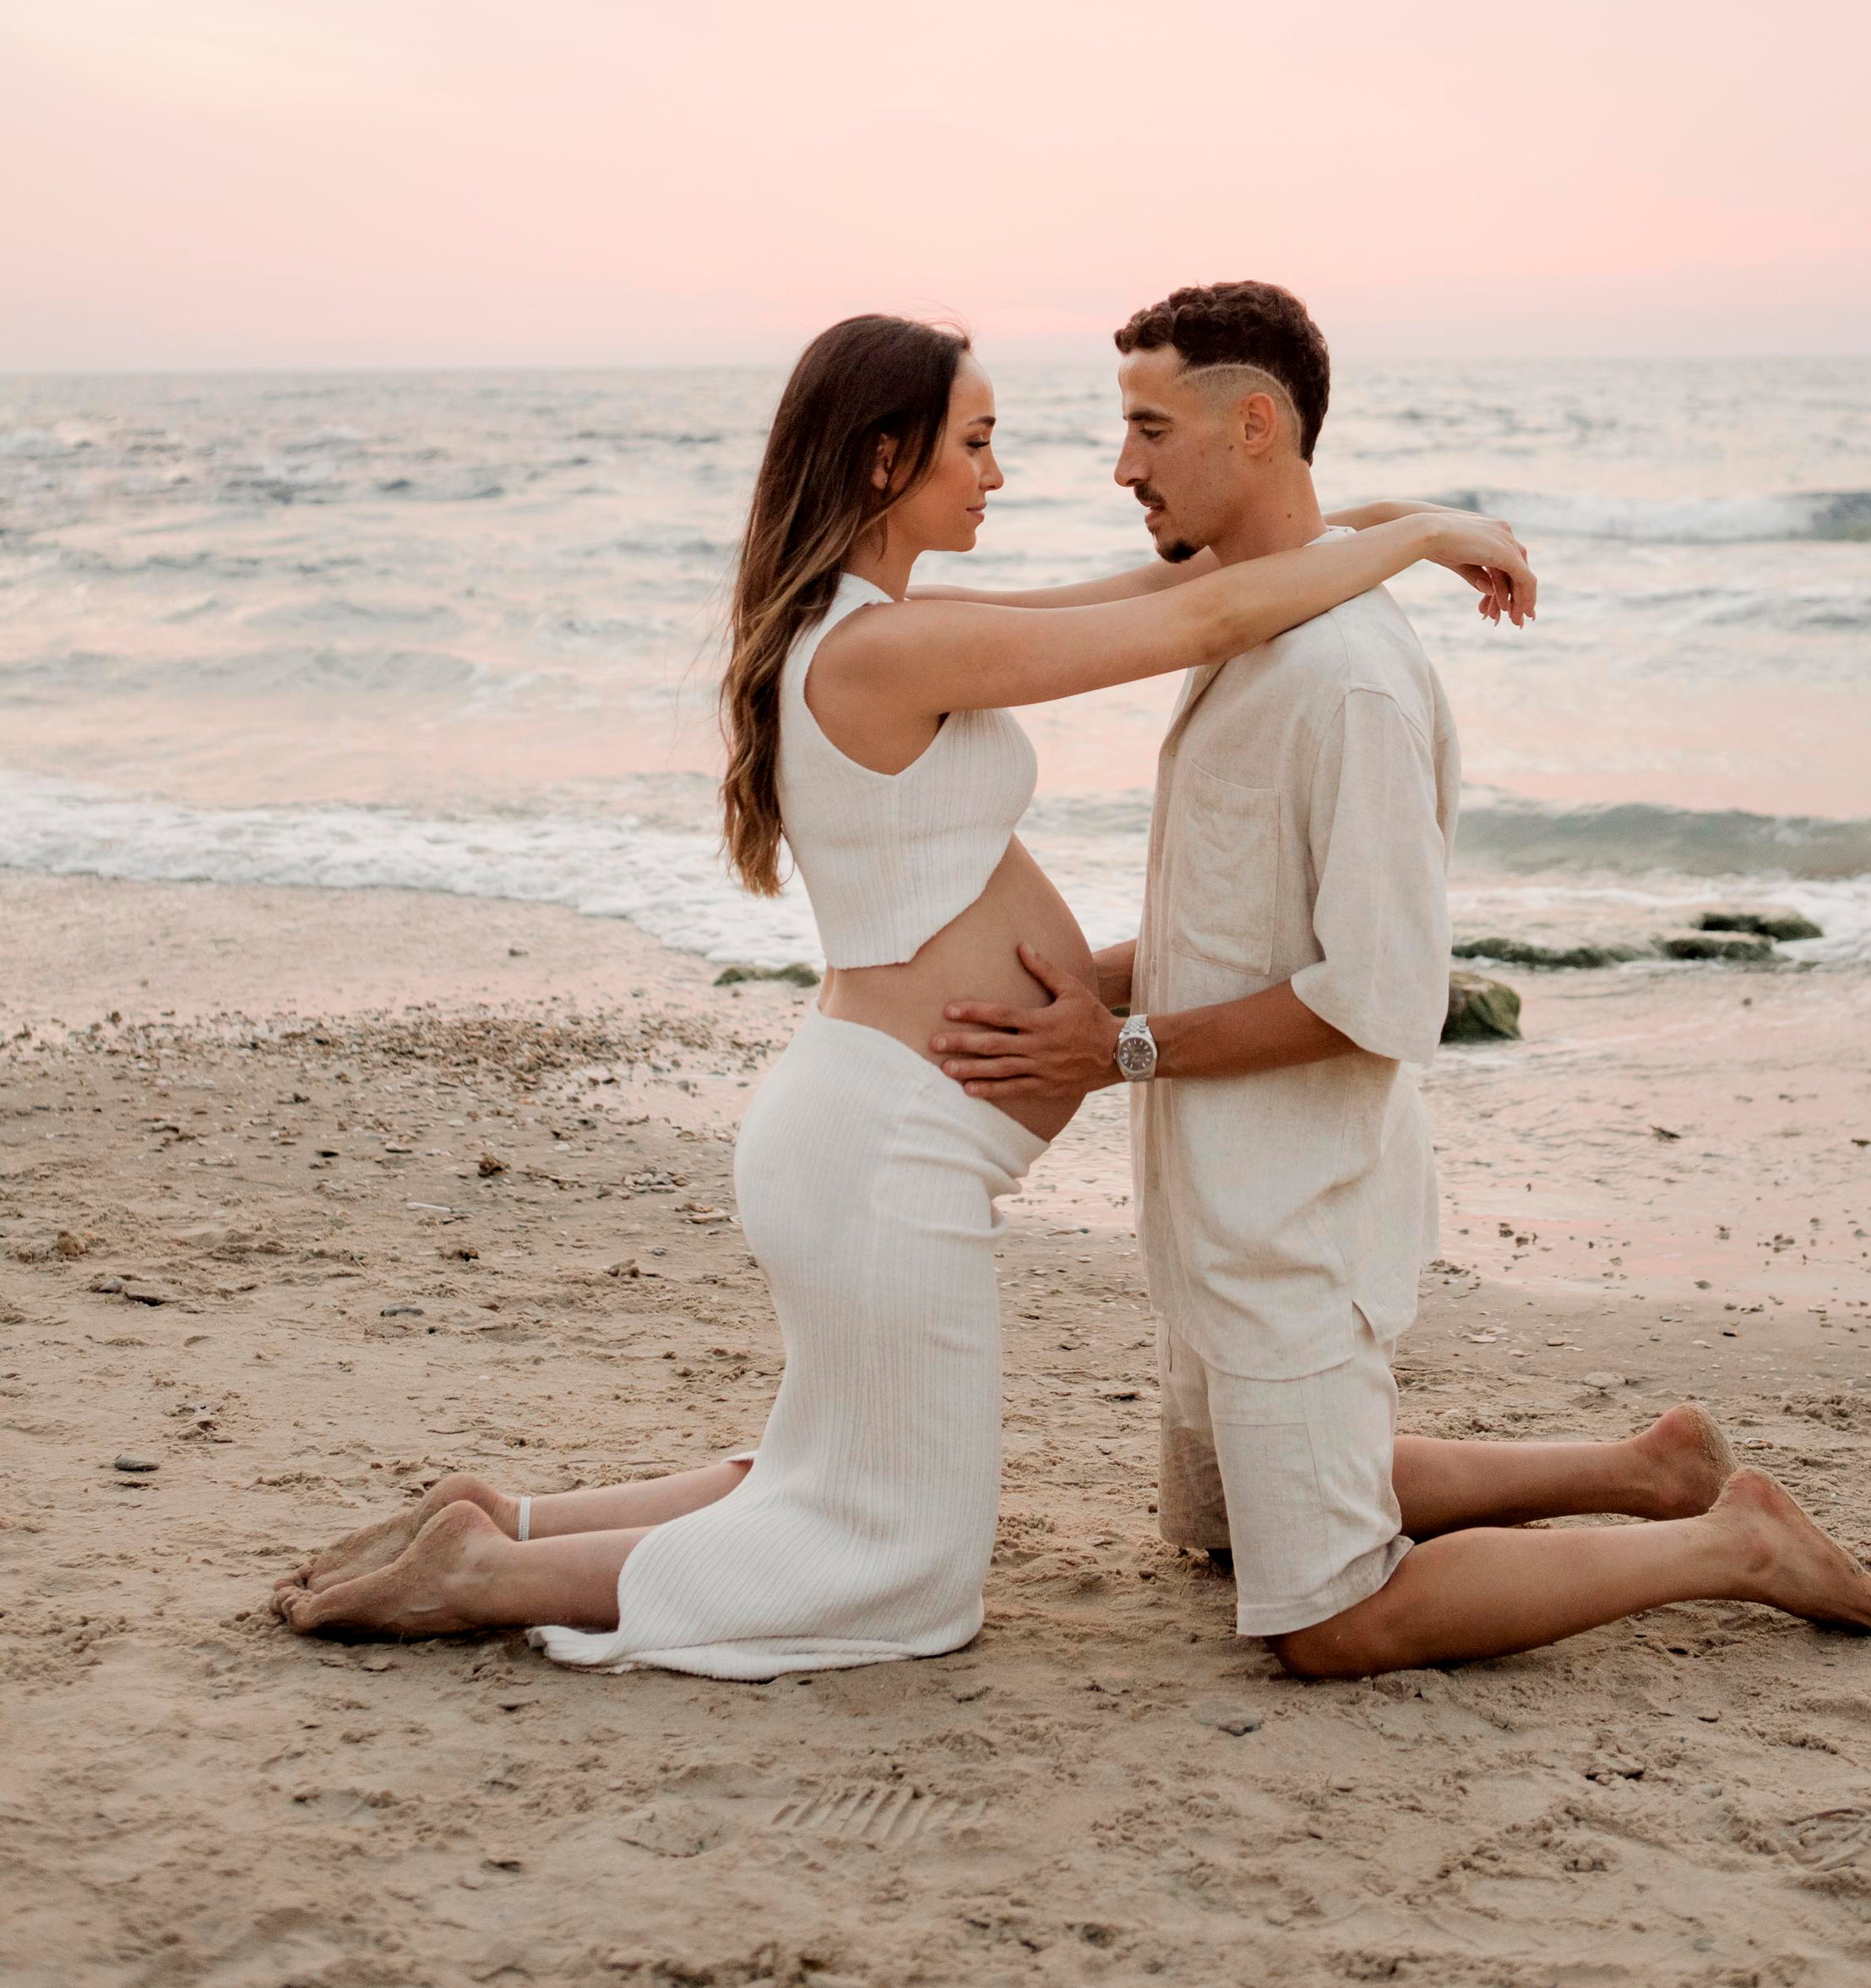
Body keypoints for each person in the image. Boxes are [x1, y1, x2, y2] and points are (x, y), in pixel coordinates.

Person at [274, 310, 1535, 1664]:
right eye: (975, 443)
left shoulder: (883, 626)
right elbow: (1206, 613)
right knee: (905, 1568)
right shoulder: (883, 652)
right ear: (886, 461)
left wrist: (1392, 515)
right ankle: (484, 1575)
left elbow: (1147, 593)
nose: (1001, 474)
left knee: (820, 1477)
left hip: (866, 1139)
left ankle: (508, 1519)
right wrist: (1418, 543)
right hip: (883, 1157)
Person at [931, 280, 1871, 1671]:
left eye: (1149, 427)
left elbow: (1380, 997)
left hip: (1294, 1215)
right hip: (1211, 1202)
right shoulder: (1247, 629)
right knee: (1215, 1531)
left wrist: (1120, 1053)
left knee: (1327, 1621)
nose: (1123, 466)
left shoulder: (1349, 683)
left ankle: (1727, 1543)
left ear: (1254, 424)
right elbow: (1239, 921)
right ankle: (1645, 1468)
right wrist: (1073, 991)